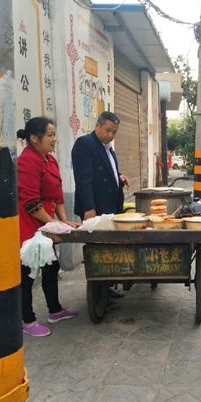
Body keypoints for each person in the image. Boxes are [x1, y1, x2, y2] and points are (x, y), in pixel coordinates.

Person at [17, 117, 80, 337]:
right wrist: (53, 223)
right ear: (34, 138)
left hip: (45, 225)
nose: (54, 139)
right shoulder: (27, 161)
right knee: (27, 274)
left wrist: (64, 221)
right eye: (50, 135)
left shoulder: (50, 160)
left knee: (51, 266)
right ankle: (27, 320)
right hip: (28, 226)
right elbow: (30, 202)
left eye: (54, 135)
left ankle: (55, 310)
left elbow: (58, 197)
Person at [71, 111, 130, 299]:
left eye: (114, 132)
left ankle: (107, 290)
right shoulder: (85, 144)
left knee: (108, 251)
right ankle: (98, 295)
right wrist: (89, 209)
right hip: (95, 210)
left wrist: (119, 177)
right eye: (108, 130)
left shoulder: (108, 148)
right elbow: (83, 180)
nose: (111, 135)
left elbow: (107, 171)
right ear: (97, 125)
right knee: (98, 253)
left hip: (110, 209)